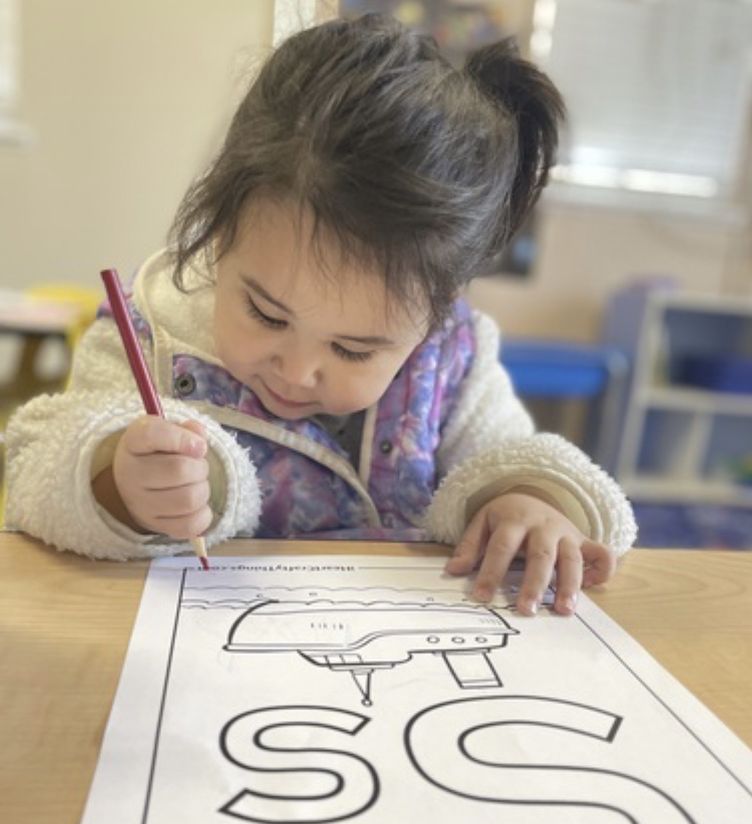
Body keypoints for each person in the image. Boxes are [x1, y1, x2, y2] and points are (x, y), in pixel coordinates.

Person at [5, 13, 636, 615]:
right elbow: (34, 465)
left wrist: (532, 499)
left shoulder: (455, 357)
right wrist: (113, 479)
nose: (299, 370)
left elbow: (508, 457)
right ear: (219, 236)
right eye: (267, 314)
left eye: (355, 350)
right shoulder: (151, 328)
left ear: (437, 312)